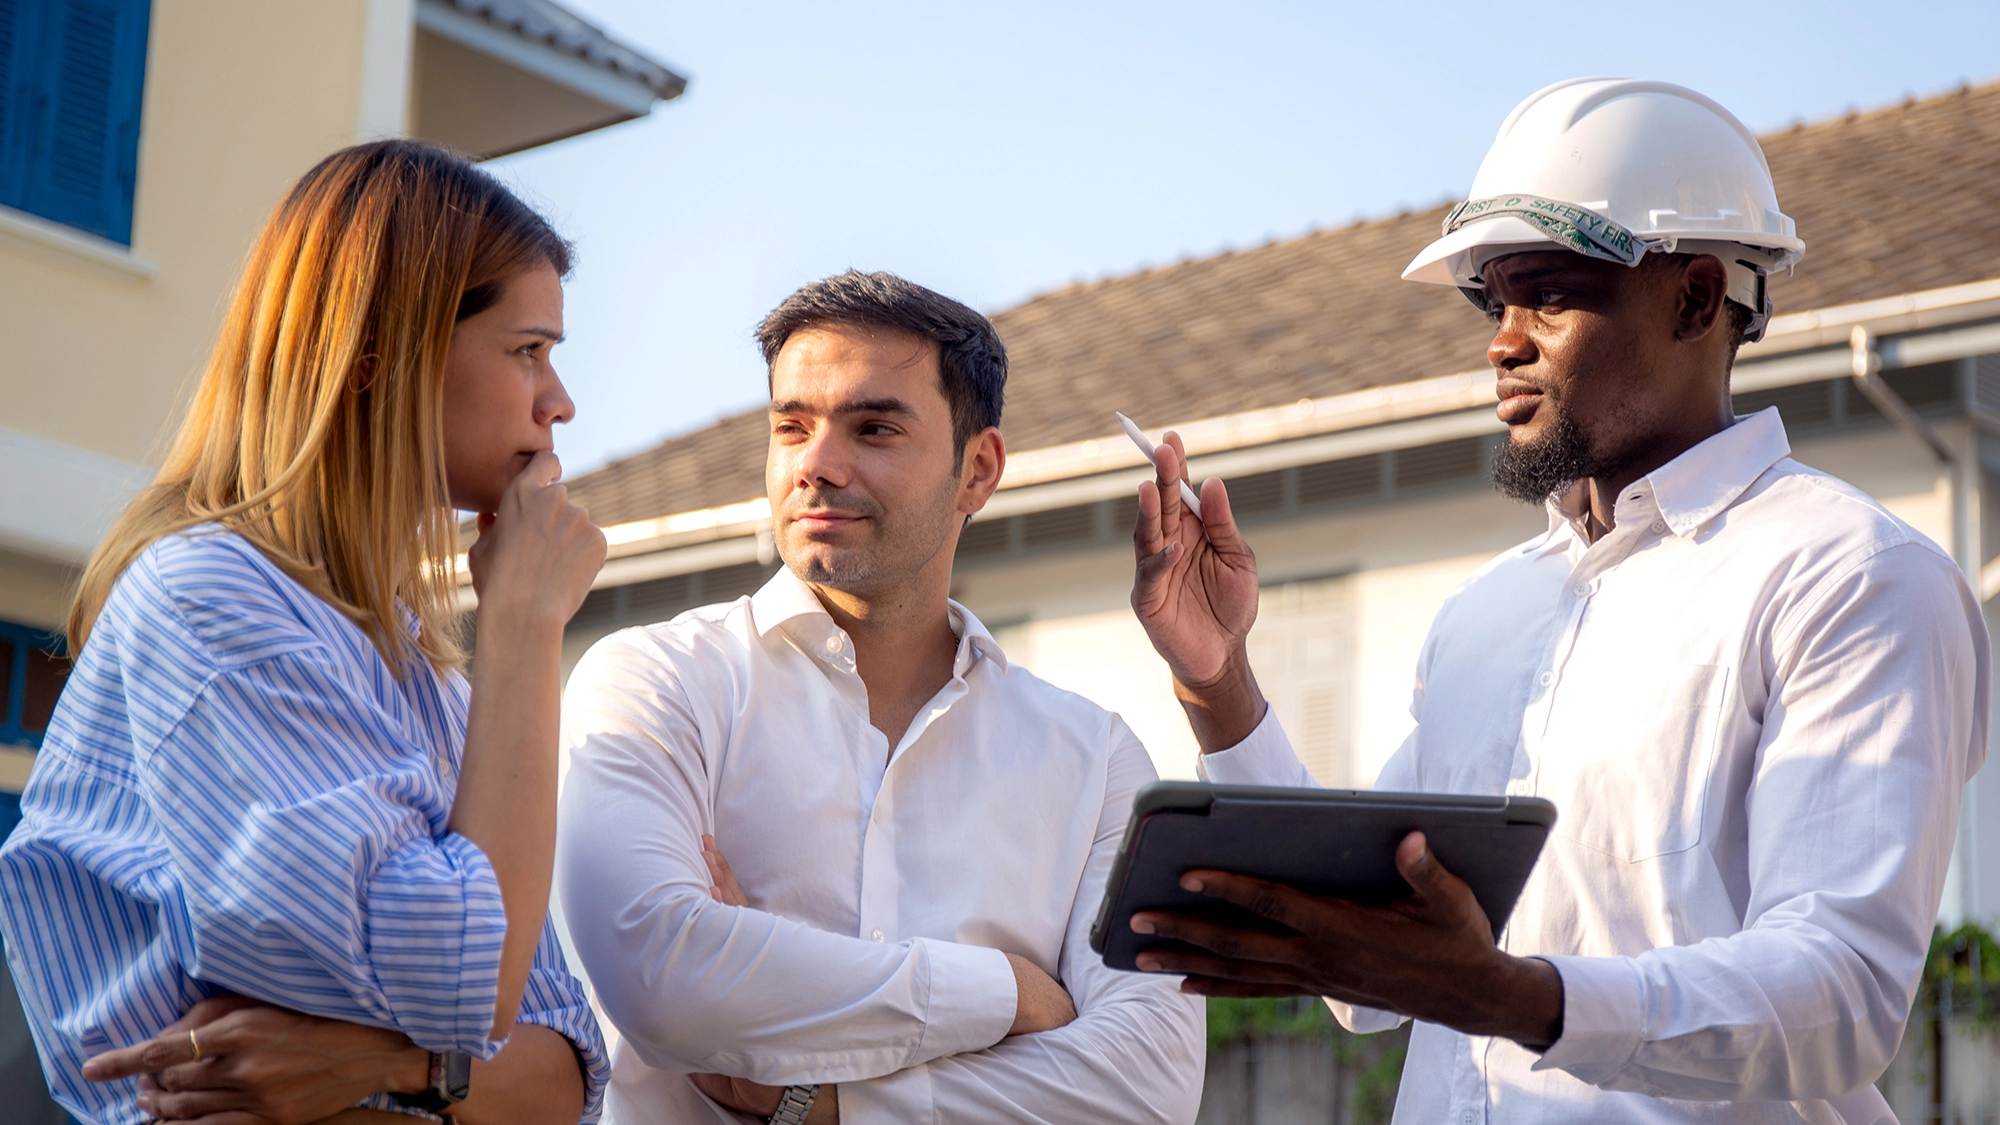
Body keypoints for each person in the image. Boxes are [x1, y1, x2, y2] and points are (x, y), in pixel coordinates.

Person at [1123, 78, 1988, 1124]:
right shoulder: (1485, 614)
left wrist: (1511, 997)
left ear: (1694, 299)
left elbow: (1840, 997)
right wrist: (1218, 679)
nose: (1502, 340)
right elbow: (1368, 966)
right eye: (1492, 302)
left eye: (1548, 294)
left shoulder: (1849, 575)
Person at [0, 141, 610, 1125]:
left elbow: (567, 1073)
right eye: (527, 350)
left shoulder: (431, 680)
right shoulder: (208, 601)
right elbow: (469, 990)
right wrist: (527, 620)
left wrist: (386, 1064)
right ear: (380, 355)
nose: (560, 401)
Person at [555, 270, 1205, 1124]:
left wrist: (813, 1097)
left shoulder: (1095, 761)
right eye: (791, 426)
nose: (816, 465)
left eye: (874, 429)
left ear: (978, 470)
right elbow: (662, 975)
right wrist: (1009, 994)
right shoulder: (657, 682)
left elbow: (1148, 1085)